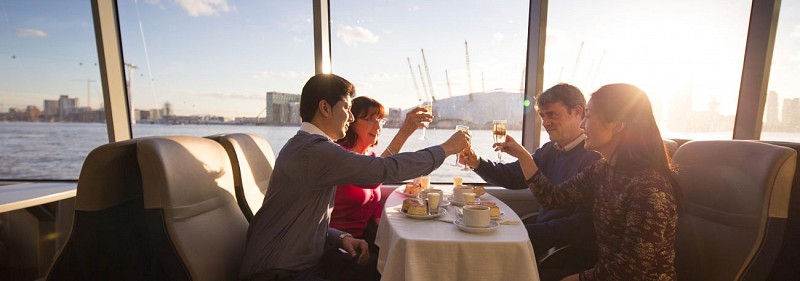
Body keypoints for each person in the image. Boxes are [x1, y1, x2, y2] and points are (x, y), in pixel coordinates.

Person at [239, 73, 470, 281]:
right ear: (325, 108)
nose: (350, 118)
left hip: (308, 262)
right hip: (277, 273)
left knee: (390, 270)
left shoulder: (308, 148)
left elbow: (303, 223)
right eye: (347, 108)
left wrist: (340, 238)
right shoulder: (315, 151)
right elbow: (382, 170)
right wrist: (446, 148)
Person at [498, 83, 678, 281]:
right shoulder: (602, 169)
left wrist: (574, 279)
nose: (582, 124)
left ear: (618, 125)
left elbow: (630, 271)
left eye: (589, 116)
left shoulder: (649, 189)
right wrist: (524, 157)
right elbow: (553, 198)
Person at [459, 83, 601, 279]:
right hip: (544, 239)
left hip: (564, 251)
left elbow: (579, 226)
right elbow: (513, 176)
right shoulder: (550, 150)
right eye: (543, 116)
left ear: (577, 112)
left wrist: (522, 232)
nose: (546, 122)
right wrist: (477, 162)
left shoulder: (594, 159)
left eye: (552, 114)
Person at [330, 96, 430, 256]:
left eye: (380, 120)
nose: (378, 126)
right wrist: (404, 132)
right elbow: (374, 175)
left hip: (363, 240)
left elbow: (373, 203)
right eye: (370, 119)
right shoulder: (341, 156)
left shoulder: (370, 155)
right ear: (351, 122)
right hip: (338, 244)